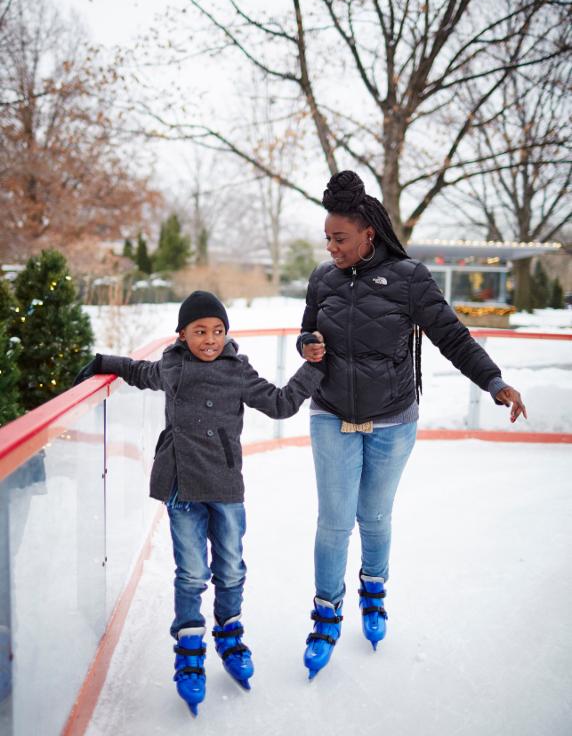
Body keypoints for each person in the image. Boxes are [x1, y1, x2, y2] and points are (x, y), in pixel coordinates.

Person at [297, 170, 526, 679]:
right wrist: (308, 346)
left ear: (367, 235)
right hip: (331, 413)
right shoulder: (322, 279)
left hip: (392, 421)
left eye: (340, 239)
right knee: (334, 522)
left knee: (374, 517)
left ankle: (373, 592)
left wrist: (493, 381)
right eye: (327, 239)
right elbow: (307, 332)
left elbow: (453, 336)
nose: (331, 247)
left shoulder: (409, 279)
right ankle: (325, 614)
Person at [74, 290, 324, 715]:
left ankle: (229, 630)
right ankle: (190, 645)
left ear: (227, 334)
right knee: (191, 573)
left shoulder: (238, 370)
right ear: (182, 334)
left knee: (230, 568)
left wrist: (315, 367)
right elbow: (140, 371)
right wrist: (103, 363)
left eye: (218, 330)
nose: (210, 339)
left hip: (225, 484)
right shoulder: (172, 366)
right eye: (200, 331)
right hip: (180, 485)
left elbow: (281, 404)